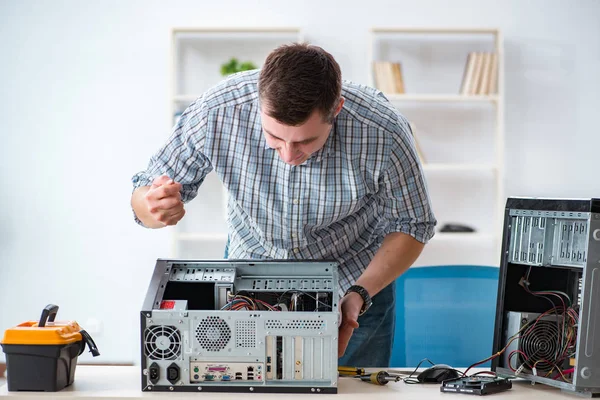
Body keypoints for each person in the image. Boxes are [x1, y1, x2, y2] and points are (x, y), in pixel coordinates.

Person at [131, 43, 436, 367]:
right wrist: (153, 207)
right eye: (274, 137)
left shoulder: (383, 129)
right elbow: (142, 194)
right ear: (259, 107)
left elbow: (413, 224)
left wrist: (360, 294)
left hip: (354, 287)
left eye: (306, 141)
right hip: (248, 283)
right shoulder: (217, 110)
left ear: (337, 109)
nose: (290, 156)